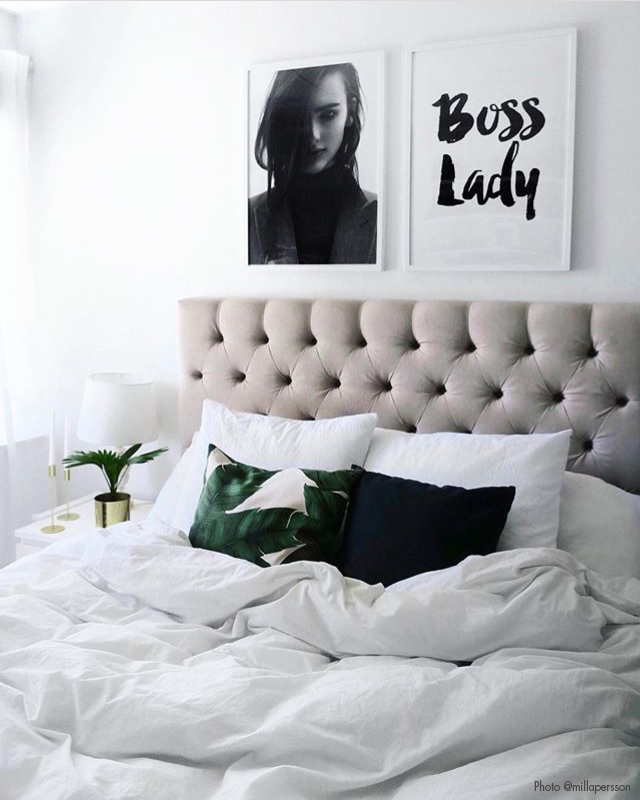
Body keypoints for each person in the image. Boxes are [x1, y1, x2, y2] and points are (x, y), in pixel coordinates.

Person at [249, 62, 377, 265]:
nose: (313, 134)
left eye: (328, 115)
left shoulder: (382, 215)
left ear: (350, 112)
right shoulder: (248, 216)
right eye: (297, 116)